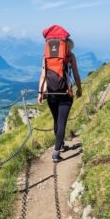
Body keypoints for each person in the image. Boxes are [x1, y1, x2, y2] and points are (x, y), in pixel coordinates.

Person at [37, 25, 82, 163]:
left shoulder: (47, 56)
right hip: (65, 93)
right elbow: (76, 74)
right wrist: (79, 89)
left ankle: (60, 144)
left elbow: (43, 75)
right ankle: (56, 152)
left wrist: (40, 93)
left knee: (56, 120)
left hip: (51, 93)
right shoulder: (70, 56)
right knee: (62, 122)